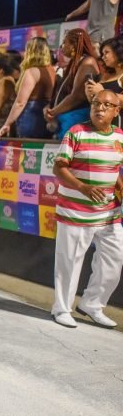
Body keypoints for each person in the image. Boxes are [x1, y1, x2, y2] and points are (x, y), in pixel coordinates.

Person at [51, 89, 123, 328]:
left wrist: (120, 187)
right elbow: (59, 168)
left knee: (114, 259)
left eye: (106, 105)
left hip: (109, 212)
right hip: (75, 210)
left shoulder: (120, 137)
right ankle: (61, 308)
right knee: (70, 261)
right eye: (95, 103)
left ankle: (92, 304)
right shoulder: (76, 133)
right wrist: (82, 187)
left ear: (116, 111)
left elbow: (115, 169)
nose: (99, 108)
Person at [45, 28, 100, 140]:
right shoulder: (76, 63)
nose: (61, 46)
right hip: (67, 119)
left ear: (73, 45)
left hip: (75, 120)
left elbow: (77, 97)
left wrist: (54, 111)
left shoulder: (87, 63)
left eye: (65, 42)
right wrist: (50, 108)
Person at [0, 37, 56, 139]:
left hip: (30, 119)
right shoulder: (53, 71)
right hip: (47, 120)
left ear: (31, 52)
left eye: (26, 50)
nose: (24, 53)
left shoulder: (32, 71)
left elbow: (20, 103)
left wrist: (7, 123)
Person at [84, 37, 123, 128]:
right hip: (98, 124)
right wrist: (90, 94)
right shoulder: (105, 75)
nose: (103, 56)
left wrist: (102, 92)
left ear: (119, 52)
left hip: (117, 126)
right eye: (102, 53)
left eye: (106, 52)